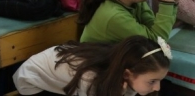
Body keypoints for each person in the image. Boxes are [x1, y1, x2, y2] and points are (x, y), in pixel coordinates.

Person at [13, 35, 171, 96]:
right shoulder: (91, 79)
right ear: (127, 74)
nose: (157, 88)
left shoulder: (122, 67)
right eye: (152, 81)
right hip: (32, 83)